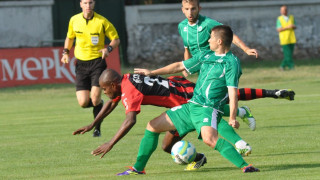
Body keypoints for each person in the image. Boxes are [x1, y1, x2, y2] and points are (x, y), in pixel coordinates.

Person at [117, 25, 259, 175]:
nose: (208, 39)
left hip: (208, 108)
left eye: (211, 37)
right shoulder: (206, 55)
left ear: (219, 41)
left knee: (210, 140)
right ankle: (138, 168)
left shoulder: (232, 63)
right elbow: (179, 65)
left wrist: (231, 117)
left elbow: (232, 92)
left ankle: (246, 166)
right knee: (152, 126)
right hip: (191, 106)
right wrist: (152, 72)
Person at [61, 0, 120, 137]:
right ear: (81, 4)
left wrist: (108, 49)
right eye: (85, 3)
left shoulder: (102, 21)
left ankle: (97, 129)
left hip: (97, 63)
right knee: (83, 102)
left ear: (94, 4)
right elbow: (69, 38)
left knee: (94, 99)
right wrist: (65, 52)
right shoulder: (74, 20)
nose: (88, 6)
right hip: (81, 65)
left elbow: (115, 39)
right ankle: (101, 104)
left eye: (91, 3)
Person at [178, 0, 258, 78]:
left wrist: (246, 49)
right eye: (187, 9)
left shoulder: (208, 23)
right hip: (200, 68)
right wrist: (185, 65)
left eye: (193, 9)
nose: (190, 13)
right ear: (182, 10)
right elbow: (187, 49)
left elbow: (229, 34)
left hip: (214, 65)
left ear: (199, 8)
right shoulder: (182, 26)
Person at [277, 5, 296, 70]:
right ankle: (291, 66)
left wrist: (293, 26)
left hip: (291, 38)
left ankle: (282, 66)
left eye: (284, 10)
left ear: (287, 11)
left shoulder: (291, 17)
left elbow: (295, 26)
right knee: (287, 54)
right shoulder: (279, 19)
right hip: (284, 39)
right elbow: (278, 29)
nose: (283, 11)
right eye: (281, 10)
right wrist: (288, 27)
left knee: (289, 54)